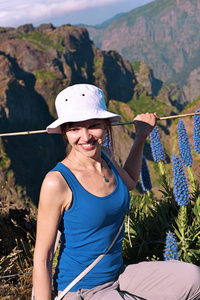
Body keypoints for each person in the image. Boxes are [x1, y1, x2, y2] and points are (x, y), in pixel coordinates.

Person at [33, 84, 200, 300]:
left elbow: (129, 182)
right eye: (74, 128)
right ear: (65, 132)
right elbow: (43, 256)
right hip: (81, 290)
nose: (85, 137)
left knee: (193, 278)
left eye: (93, 125)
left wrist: (141, 135)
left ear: (106, 126)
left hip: (118, 275)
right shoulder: (57, 182)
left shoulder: (105, 156)